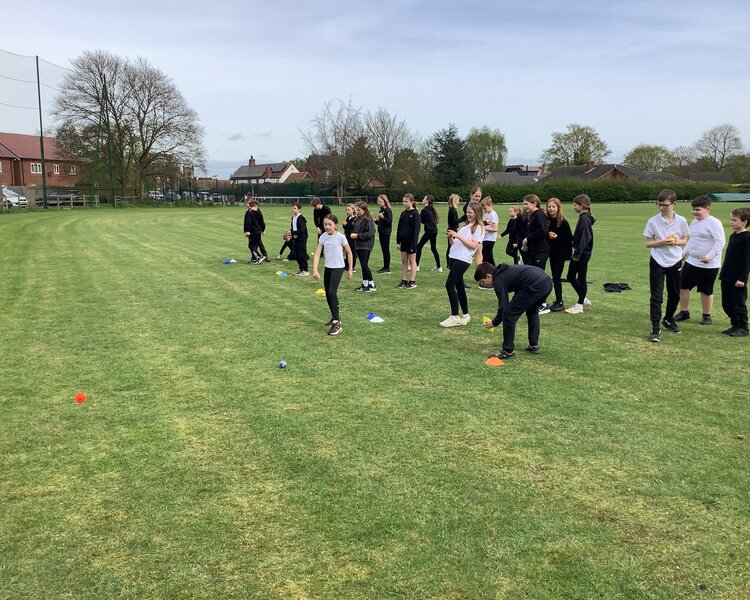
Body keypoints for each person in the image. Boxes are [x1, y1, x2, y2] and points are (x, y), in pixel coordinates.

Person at [476, 261, 553, 359]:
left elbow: (503, 306)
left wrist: (495, 322)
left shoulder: (498, 280)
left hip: (535, 284)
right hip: (547, 282)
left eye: (483, 281)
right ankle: (534, 345)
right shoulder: (505, 271)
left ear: (488, 276)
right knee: (532, 312)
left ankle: (507, 351)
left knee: (508, 315)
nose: (484, 284)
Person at [643, 189, 690, 342]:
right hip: (657, 261)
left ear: (674, 204)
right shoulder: (653, 221)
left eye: (665, 205)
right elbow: (648, 243)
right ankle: (655, 328)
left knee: (675, 293)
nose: (662, 207)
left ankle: (669, 318)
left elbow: (685, 240)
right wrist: (662, 242)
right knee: (656, 296)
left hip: (675, 260)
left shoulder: (681, 220)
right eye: (660, 204)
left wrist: (676, 241)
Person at [674, 195, 726, 325]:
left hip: (709, 265)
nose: (695, 212)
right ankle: (684, 312)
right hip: (692, 262)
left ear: (707, 208)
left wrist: (709, 256)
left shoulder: (714, 223)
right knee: (683, 286)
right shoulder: (694, 222)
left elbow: (720, 242)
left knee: (706, 291)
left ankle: (706, 316)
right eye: (693, 209)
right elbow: (693, 240)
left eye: (698, 210)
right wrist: (683, 253)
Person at [440, 200, 485, 327]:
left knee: (449, 285)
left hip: (463, 260)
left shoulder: (479, 228)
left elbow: (474, 246)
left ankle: (454, 316)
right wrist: (451, 237)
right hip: (454, 258)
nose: (468, 214)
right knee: (459, 287)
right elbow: (455, 244)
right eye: (466, 212)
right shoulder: (464, 227)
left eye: (470, 212)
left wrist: (458, 236)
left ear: (477, 213)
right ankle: (466, 314)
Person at [312, 214, 353, 336]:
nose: (327, 227)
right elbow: (318, 254)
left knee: (332, 292)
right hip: (328, 268)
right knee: (328, 294)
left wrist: (349, 269)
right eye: (325, 224)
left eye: (330, 224)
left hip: (338, 268)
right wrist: (315, 270)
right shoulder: (323, 237)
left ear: (336, 225)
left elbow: (349, 253)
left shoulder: (341, 237)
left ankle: (337, 323)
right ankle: (334, 316)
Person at [718, 207, 749, 336]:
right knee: (727, 303)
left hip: (738, 278)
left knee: (738, 304)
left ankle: (742, 327)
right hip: (727, 276)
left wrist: (742, 278)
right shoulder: (733, 236)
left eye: (735, 220)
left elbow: (747, 260)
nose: (731, 222)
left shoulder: (747, 238)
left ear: (744, 222)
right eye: (731, 219)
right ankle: (735, 324)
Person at [564, 195, 595, 314]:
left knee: (580, 277)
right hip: (581, 252)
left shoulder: (584, 219)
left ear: (582, 206)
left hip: (582, 253)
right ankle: (583, 299)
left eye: (575, 205)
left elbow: (585, 237)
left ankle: (580, 304)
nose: (573, 207)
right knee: (571, 276)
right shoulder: (584, 217)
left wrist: (577, 253)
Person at [544, 198, 573, 312]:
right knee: (554, 276)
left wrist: (557, 237)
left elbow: (569, 238)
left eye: (553, 207)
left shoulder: (563, 222)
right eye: (549, 207)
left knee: (556, 277)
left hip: (560, 253)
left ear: (558, 208)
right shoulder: (547, 221)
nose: (551, 209)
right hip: (551, 253)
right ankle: (557, 300)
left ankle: (560, 301)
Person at [396, 193, 421, 288]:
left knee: (412, 260)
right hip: (403, 241)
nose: (404, 203)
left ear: (412, 202)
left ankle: (412, 280)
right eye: (404, 201)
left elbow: (416, 230)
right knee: (404, 260)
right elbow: (399, 228)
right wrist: (398, 242)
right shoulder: (403, 213)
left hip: (411, 242)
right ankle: (404, 280)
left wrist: (413, 243)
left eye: (406, 201)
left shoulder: (415, 214)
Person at [351, 201, 377, 292]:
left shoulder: (368, 220)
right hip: (358, 245)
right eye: (356, 210)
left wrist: (357, 235)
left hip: (366, 246)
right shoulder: (357, 220)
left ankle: (372, 284)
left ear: (364, 210)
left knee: (365, 265)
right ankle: (365, 284)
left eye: (359, 210)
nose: (357, 212)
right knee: (362, 265)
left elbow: (370, 233)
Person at [521, 194, 550, 271]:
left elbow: (543, 231)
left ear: (534, 204)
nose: (524, 206)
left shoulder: (539, 215)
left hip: (540, 250)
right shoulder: (532, 216)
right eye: (524, 204)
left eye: (526, 204)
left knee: (537, 274)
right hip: (533, 250)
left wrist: (528, 238)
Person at [416, 195, 442, 272]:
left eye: (424, 198)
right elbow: (424, 221)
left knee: (419, 246)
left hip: (429, 231)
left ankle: (416, 266)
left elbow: (420, 220)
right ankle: (439, 267)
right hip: (434, 231)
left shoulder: (425, 210)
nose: (423, 199)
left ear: (427, 201)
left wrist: (417, 211)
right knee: (433, 248)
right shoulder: (431, 209)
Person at [243, 199, 266, 264]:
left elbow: (248, 223)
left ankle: (259, 257)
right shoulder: (258, 212)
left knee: (251, 246)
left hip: (253, 232)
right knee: (255, 245)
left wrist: (247, 231)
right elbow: (262, 222)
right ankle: (254, 258)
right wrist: (263, 229)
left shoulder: (249, 213)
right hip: (258, 231)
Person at [375, 194, 393, 274]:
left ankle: (387, 268)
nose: (379, 203)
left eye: (380, 201)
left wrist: (383, 218)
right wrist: (375, 220)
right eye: (378, 201)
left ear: (385, 202)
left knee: (386, 250)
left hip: (386, 233)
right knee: (383, 250)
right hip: (381, 232)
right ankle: (385, 266)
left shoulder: (387, 210)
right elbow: (381, 223)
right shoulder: (381, 210)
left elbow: (389, 222)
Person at [290, 202, 309, 276]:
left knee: (302, 254)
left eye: (295, 208)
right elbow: (293, 228)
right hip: (296, 238)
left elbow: (302, 229)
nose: (293, 209)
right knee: (297, 254)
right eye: (292, 208)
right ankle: (301, 269)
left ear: (299, 209)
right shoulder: (293, 218)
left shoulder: (301, 218)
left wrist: (292, 232)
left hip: (302, 238)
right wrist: (290, 232)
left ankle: (305, 270)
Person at [480, 196, 499, 266]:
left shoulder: (493, 215)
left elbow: (495, 229)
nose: (484, 210)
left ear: (490, 205)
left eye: (485, 208)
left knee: (484, 257)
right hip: (485, 238)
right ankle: (496, 271)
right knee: (490, 258)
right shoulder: (485, 215)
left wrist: (483, 227)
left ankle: (485, 272)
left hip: (490, 239)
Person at [445, 193, 461, 269]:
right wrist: (463, 218)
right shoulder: (452, 210)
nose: (458, 202)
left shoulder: (452, 210)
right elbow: (455, 222)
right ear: (454, 200)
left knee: (451, 247)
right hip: (452, 231)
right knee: (451, 247)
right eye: (457, 200)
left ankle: (449, 263)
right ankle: (449, 263)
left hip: (453, 230)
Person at [343, 202, 358, 272]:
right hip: (347, 237)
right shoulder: (348, 218)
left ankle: (353, 266)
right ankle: (347, 266)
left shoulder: (355, 219)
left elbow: (354, 228)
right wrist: (344, 225)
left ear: (353, 210)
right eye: (346, 210)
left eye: (349, 210)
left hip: (352, 238)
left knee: (352, 251)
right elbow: (346, 228)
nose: (347, 211)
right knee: (346, 251)